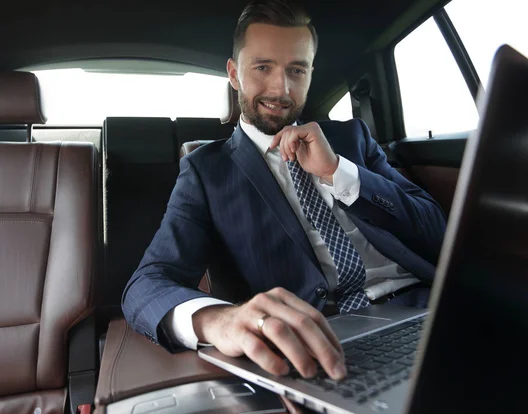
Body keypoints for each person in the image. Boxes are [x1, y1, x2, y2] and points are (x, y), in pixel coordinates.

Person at [122, 0, 446, 382]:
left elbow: (437, 233)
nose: (281, 88)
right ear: (234, 73)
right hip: (320, 338)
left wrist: (339, 172)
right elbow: (147, 283)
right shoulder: (206, 171)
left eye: (297, 69)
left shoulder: (352, 138)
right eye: (262, 67)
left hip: (430, 307)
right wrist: (221, 320)